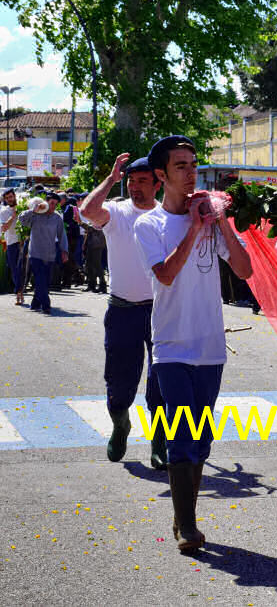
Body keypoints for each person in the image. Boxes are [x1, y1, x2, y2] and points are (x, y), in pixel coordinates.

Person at [134, 135, 252, 552]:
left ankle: (184, 514)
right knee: (181, 432)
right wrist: (195, 229)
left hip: (209, 348)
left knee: (200, 439)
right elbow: (164, 275)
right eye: (180, 166)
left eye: (194, 164)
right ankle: (187, 525)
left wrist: (219, 221)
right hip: (170, 347)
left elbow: (244, 268)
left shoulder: (209, 217)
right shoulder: (149, 223)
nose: (190, 174)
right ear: (161, 175)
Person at [79, 153, 169, 468]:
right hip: (122, 310)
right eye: (131, 180)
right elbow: (87, 211)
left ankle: (160, 440)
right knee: (118, 381)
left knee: (162, 379)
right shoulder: (116, 212)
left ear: (159, 183)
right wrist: (111, 179)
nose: (135, 187)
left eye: (143, 181)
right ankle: (120, 424)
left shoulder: (167, 216)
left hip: (161, 312)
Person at [18, 192, 69, 314]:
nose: (53, 207)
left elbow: (62, 235)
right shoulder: (35, 215)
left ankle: (35, 303)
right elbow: (21, 219)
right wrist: (34, 210)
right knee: (40, 279)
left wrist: (64, 251)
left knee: (45, 281)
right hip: (35, 253)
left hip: (50, 254)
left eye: (56, 204)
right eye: (51, 203)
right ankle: (46, 305)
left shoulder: (57, 218)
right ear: (45, 202)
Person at [1, 188, 24, 305]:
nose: (10, 199)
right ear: (5, 200)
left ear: (15, 196)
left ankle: (20, 291)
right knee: (15, 269)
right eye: (7, 198)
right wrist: (13, 216)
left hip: (24, 242)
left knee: (23, 269)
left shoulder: (23, 207)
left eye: (11, 196)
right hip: (11, 243)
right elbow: (4, 228)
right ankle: (19, 292)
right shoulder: (4, 212)